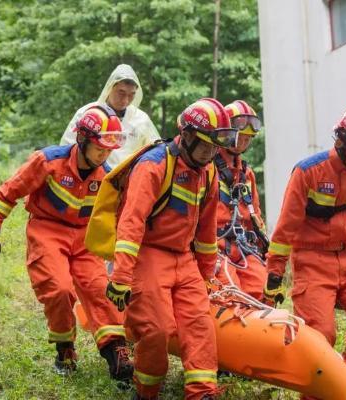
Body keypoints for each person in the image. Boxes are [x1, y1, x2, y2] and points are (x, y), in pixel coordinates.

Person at [0, 105, 133, 380]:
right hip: (47, 230)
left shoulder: (107, 177)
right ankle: (65, 350)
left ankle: (116, 354)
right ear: (82, 139)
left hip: (85, 239)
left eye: (109, 149)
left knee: (99, 290)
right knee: (59, 289)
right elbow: (8, 192)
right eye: (100, 147)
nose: (104, 154)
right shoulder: (48, 161)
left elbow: (120, 217)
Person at [105, 98, 237, 400]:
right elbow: (131, 223)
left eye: (215, 148)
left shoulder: (209, 172)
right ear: (187, 136)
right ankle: (146, 390)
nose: (210, 154)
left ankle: (202, 392)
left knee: (200, 326)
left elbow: (206, 231)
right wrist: (121, 276)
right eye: (205, 146)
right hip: (148, 255)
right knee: (156, 329)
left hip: (185, 260)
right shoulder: (154, 166)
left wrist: (206, 277)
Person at [262, 104, 346, 398]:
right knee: (321, 334)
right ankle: (316, 394)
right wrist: (274, 275)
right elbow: (285, 229)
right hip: (312, 260)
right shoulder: (308, 172)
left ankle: (345, 384)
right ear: (342, 142)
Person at [214, 100, 268, 300]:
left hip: (243, 247)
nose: (244, 141)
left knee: (263, 292)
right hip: (215, 249)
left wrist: (267, 251)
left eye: (248, 137)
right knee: (232, 295)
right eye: (241, 136)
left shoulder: (246, 175)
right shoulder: (207, 169)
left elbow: (256, 218)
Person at [61, 64, 160, 167]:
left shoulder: (141, 120)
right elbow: (67, 147)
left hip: (127, 179)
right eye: (121, 93)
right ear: (110, 87)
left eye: (131, 95)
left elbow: (156, 152)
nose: (125, 100)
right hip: (91, 176)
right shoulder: (88, 113)